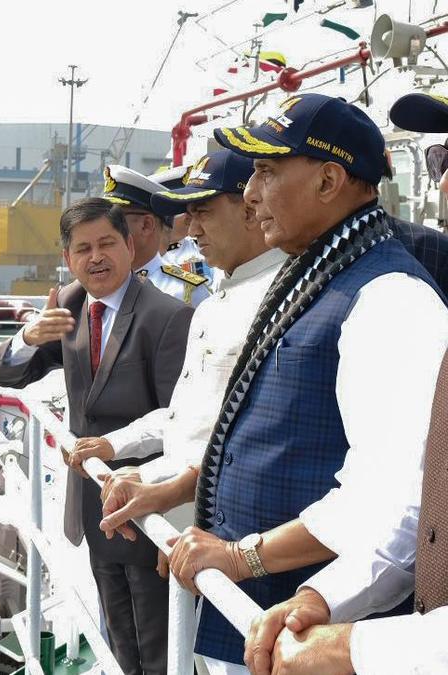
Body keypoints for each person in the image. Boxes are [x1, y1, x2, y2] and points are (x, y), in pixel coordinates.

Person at [156, 93, 448, 675]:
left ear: (328, 181)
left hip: (310, 636)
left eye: (266, 171)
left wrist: (246, 557)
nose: (250, 193)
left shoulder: (389, 296)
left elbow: (396, 502)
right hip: (278, 618)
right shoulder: (324, 274)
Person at [0, 197, 193, 675]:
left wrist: (162, 500)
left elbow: (179, 420)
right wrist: (28, 337)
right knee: (118, 640)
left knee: (159, 649)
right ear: (68, 258)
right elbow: (5, 374)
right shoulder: (71, 306)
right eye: (83, 249)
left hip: (147, 507)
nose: (96, 257)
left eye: (106, 244)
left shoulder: (166, 317)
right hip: (92, 504)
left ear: (129, 246)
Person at [68, 150, 284, 544]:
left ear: (250, 210)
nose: (191, 230)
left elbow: (254, 441)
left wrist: (157, 481)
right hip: (191, 519)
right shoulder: (216, 304)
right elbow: (187, 415)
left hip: (238, 533)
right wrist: (116, 445)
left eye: (203, 213)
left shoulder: (281, 300)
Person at [104, 165, 211, 306]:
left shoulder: (183, 291)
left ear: (146, 225)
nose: (104, 228)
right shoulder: (97, 284)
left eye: (115, 219)